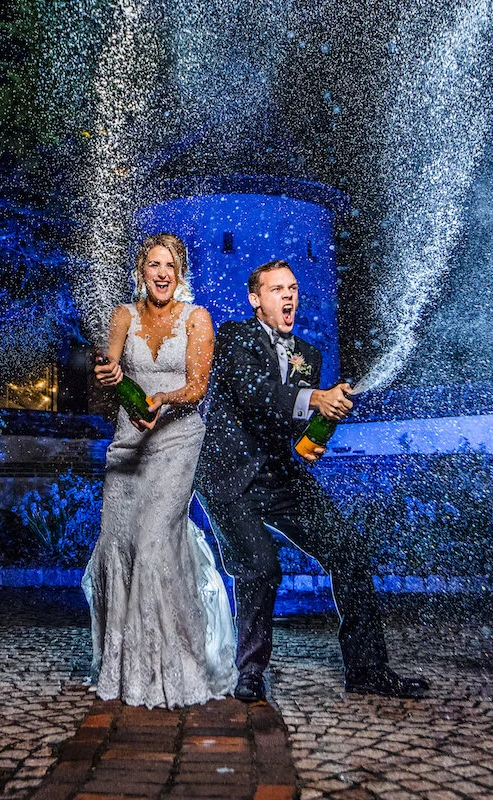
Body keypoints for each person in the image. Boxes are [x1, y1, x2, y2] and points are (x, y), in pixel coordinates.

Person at [194, 258, 431, 702]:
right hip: (229, 477)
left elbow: (293, 422)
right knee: (261, 566)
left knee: (349, 549)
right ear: (255, 299)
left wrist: (311, 438)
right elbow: (256, 395)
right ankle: (249, 672)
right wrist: (315, 399)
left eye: (294, 288)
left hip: (280, 474)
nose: (288, 296)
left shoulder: (310, 355)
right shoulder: (231, 338)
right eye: (277, 289)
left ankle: (367, 669)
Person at [82, 233, 237, 708]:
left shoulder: (197, 319)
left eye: (170, 265)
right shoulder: (123, 316)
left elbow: (197, 386)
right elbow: (109, 373)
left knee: (152, 541)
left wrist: (161, 398)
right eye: (154, 264)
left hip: (176, 437)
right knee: (118, 542)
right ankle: (125, 665)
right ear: (141, 270)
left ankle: (175, 665)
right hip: (128, 441)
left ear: (181, 272)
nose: (162, 273)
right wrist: (108, 376)